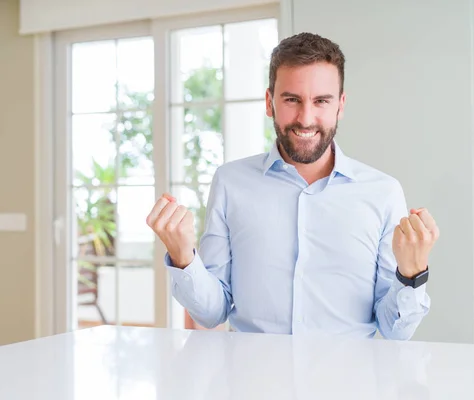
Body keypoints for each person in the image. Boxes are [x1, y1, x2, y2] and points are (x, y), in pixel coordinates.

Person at [146, 32, 439, 340]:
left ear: (340, 105)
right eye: (292, 100)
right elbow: (211, 312)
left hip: (349, 383)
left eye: (321, 101)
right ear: (270, 102)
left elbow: (395, 330)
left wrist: (412, 274)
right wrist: (183, 257)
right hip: (252, 381)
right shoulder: (230, 182)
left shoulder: (383, 193)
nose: (306, 118)